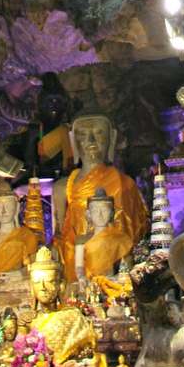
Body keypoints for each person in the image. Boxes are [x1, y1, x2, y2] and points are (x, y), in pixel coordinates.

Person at [55, 114, 148, 282]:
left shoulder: (125, 184)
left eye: (99, 133)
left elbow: (135, 234)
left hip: (115, 266)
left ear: (111, 139)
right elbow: (59, 233)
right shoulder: (62, 187)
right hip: (75, 262)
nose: (91, 141)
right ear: (73, 141)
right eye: (82, 135)